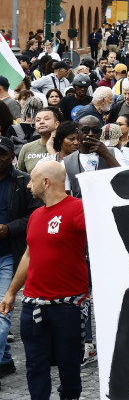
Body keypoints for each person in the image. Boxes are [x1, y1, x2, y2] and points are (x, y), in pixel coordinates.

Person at [1, 160, 89, 400]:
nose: (29, 185)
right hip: (32, 306)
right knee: (35, 366)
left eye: (32, 180)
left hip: (68, 307)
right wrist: (11, 292)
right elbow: (29, 254)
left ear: (46, 182)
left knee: (69, 366)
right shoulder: (36, 215)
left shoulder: (79, 209)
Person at [0, 136, 37, 382]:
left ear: (11, 156)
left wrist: (9, 228)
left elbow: (35, 215)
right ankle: (3, 360)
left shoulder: (23, 181)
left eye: (1, 154)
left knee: (2, 311)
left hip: (10, 254)